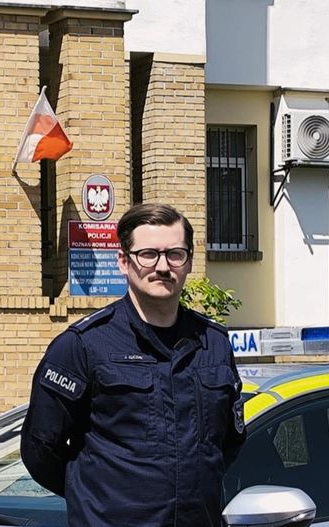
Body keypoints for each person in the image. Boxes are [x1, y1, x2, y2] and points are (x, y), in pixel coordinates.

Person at [21, 203, 245, 527]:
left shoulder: (214, 343)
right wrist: (96, 498)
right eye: (148, 255)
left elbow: (228, 443)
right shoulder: (83, 345)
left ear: (189, 262)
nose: (162, 266)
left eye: (175, 254)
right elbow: (40, 449)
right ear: (124, 261)